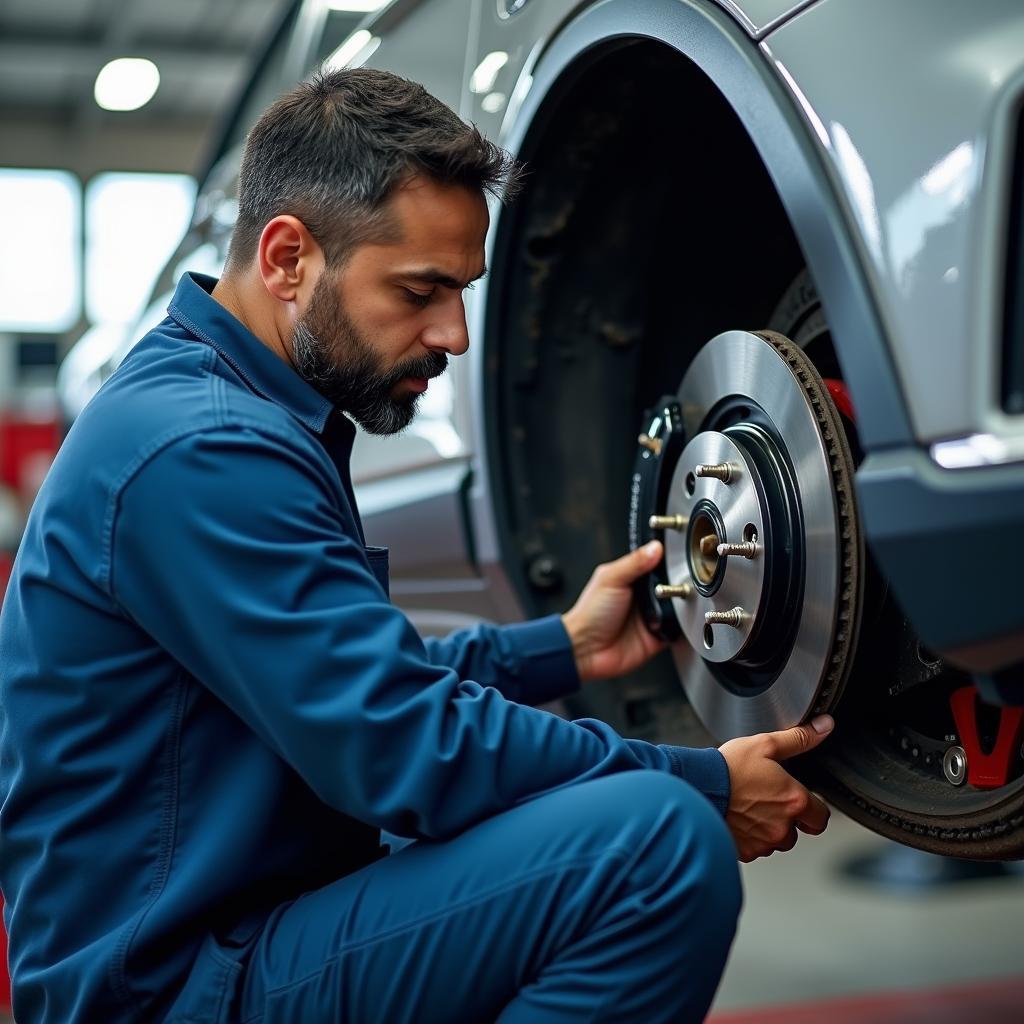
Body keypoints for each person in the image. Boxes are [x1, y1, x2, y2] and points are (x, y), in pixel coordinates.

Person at [0, 69, 834, 1024]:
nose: (456, 334)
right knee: (655, 847)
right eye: (422, 290)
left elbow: (344, 684)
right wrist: (707, 779)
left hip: (233, 927)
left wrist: (561, 648)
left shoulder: (235, 407)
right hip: (171, 988)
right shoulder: (203, 448)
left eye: (463, 291)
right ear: (287, 258)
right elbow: (393, 743)